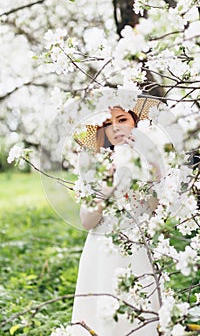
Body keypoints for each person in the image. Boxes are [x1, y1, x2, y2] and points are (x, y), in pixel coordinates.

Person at [71, 97, 163, 336]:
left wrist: (152, 169)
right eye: (108, 123)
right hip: (102, 251)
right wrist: (106, 190)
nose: (116, 127)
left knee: (142, 310)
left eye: (122, 119)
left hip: (139, 247)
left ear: (135, 121)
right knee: (104, 314)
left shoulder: (150, 161)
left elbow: (156, 207)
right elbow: (86, 221)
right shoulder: (96, 165)